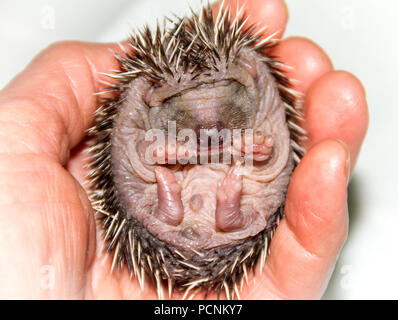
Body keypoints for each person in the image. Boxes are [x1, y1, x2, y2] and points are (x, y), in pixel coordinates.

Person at [0, 0, 368, 299]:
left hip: (213, 185)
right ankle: (206, 211)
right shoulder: (145, 101)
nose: (210, 128)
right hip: (196, 189)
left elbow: (269, 147)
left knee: (251, 160)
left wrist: (213, 150)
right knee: (153, 159)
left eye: (225, 108)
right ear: (153, 101)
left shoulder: (252, 81)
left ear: (250, 82)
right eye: (190, 112)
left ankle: (211, 212)